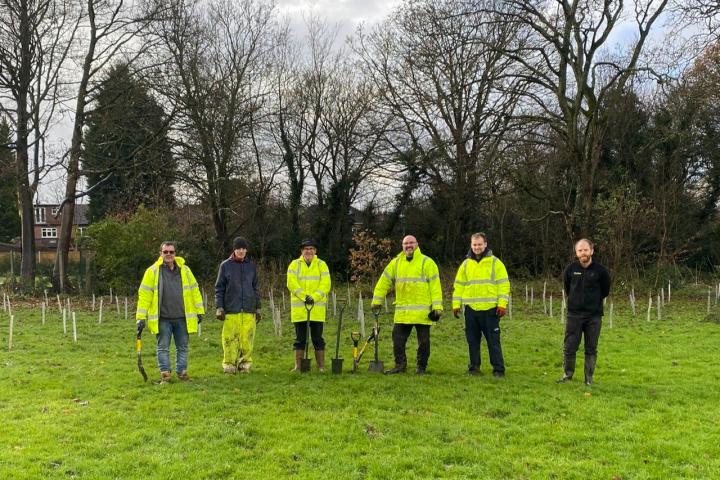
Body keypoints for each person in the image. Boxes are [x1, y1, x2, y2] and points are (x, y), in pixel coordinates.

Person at [371, 235, 443, 375]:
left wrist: (437, 307)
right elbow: (383, 282)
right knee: (397, 339)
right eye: (405, 243)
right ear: (402, 246)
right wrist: (377, 300)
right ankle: (400, 366)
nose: (408, 245)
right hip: (403, 312)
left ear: (417, 244)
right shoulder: (396, 263)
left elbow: (435, 286)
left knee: (423, 342)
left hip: (422, 312)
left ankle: (421, 367)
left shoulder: (427, 263)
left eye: (411, 243)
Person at [136, 241, 204, 384]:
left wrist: (200, 311)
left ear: (175, 253)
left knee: (183, 347)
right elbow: (144, 295)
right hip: (163, 319)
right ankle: (165, 376)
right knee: (163, 348)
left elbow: (195, 291)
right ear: (160, 253)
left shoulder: (185, 270)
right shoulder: (152, 271)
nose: (168, 254)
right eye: (165, 252)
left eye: (171, 252)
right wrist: (140, 317)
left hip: (182, 318)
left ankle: (182, 374)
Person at [452, 232, 510, 377]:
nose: (477, 247)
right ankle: (474, 368)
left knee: (493, 342)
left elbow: (504, 285)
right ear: (471, 245)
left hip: (491, 310)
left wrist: (502, 304)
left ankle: (498, 370)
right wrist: (456, 304)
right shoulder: (465, 264)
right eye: (474, 244)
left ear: (485, 244)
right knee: (472, 341)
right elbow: (458, 285)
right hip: (471, 310)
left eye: (479, 244)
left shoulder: (496, 263)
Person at [558, 238, 611, 386]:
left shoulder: (601, 271)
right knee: (569, 347)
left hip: (593, 316)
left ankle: (589, 378)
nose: (583, 253)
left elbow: (605, 291)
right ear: (576, 253)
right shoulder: (570, 270)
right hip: (574, 315)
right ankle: (567, 375)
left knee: (591, 348)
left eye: (586, 250)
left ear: (592, 251)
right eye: (580, 250)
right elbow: (568, 288)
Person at [215, 236, 261, 374]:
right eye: (238, 249)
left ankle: (245, 364)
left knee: (247, 338)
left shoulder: (251, 267)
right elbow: (219, 288)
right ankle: (229, 364)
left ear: (246, 250)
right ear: (234, 250)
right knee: (230, 338)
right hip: (231, 309)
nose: (241, 251)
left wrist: (258, 307)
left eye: (243, 249)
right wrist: (219, 307)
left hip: (248, 309)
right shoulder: (225, 266)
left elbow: (256, 288)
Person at [286, 238, 331, 372]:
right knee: (300, 339)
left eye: (311, 249)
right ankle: (298, 366)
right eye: (306, 249)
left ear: (315, 251)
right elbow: (291, 283)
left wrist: (315, 297)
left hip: (317, 309)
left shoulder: (321, 265)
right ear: (302, 251)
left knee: (318, 338)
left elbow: (326, 284)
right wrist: (304, 297)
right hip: (300, 309)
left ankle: (321, 366)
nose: (309, 251)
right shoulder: (294, 265)